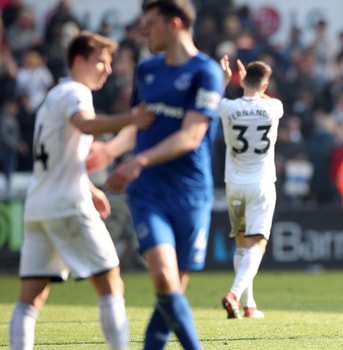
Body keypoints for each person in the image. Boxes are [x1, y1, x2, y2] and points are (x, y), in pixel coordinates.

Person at [86, 0, 224, 349]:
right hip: (148, 191)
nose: (143, 30)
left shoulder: (205, 72)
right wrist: (110, 150)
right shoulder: (147, 70)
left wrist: (138, 160)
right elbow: (137, 123)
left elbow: (192, 136)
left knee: (171, 290)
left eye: (150, 22)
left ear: (175, 23)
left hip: (191, 191)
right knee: (163, 277)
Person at [8, 31, 154, 350]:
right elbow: (86, 123)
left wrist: (89, 186)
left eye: (109, 63)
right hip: (67, 205)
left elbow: (59, 154)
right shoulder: (76, 91)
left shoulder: (53, 96)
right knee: (111, 282)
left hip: (38, 206)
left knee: (31, 298)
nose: (107, 69)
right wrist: (132, 117)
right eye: (100, 61)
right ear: (78, 61)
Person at [217, 55, 284, 319]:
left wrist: (226, 81)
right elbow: (265, 99)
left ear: (243, 80)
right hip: (262, 184)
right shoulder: (274, 106)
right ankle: (234, 294)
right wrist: (256, 88)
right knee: (258, 245)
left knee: (242, 244)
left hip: (233, 184)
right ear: (265, 85)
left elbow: (213, 101)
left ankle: (248, 304)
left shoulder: (228, 107)